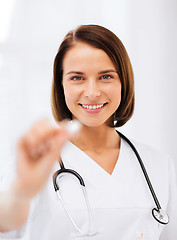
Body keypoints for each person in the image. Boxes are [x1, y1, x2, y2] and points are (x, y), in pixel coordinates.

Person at [0, 24, 177, 240]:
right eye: (77, 78)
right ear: (61, 85)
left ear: (124, 82)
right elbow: (5, 221)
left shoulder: (158, 166)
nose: (92, 92)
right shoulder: (35, 164)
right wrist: (23, 190)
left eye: (106, 77)